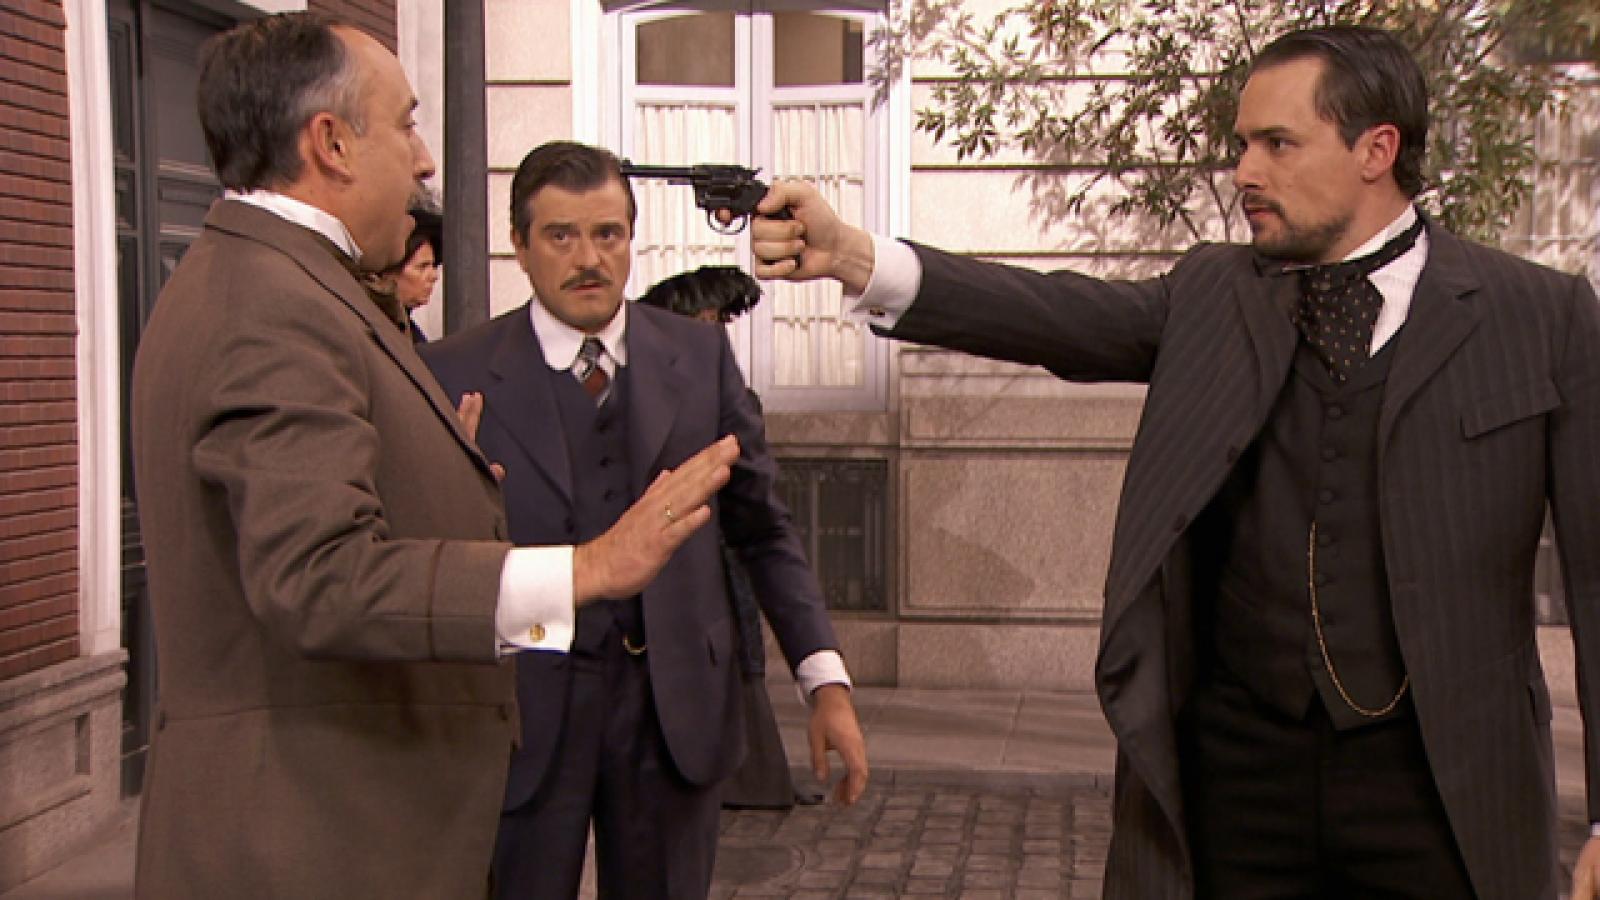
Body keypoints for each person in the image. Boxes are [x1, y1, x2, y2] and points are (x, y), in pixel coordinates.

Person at [751, 25, 1600, 900]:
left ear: (1375, 151)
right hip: (1236, 781)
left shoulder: (1541, 318)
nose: (1244, 172)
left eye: (1277, 144)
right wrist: (853, 256)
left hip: (1446, 788)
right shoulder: (1213, 292)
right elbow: (1051, 314)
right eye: (1242, 144)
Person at [129, 15, 735, 898]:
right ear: (332, 143)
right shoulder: (275, 306)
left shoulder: (284, 283)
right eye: (407, 123)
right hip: (313, 841)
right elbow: (320, 578)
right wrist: (590, 567)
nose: (423, 161)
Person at [420, 141, 868, 899]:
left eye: (608, 233)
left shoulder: (699, 356)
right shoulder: (455, 372)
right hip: (524, 712)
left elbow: (762, 529)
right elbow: (428, 557)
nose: (588, 258)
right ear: (520, 247)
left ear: (631, 237)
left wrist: (824, 680)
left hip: (674, 712)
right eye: (560, 236)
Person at [638, 265, 810, 810]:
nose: (712, 334)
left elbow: (754, 494)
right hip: (676, 553)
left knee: (740, 655)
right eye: (702, 320)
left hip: (724, 545)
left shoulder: (727, 391)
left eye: (718, 321)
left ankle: (753, 774)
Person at [366, 204, 442, 343]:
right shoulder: (374, 331)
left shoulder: (409, 332)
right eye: (422, 267)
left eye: (434, 265)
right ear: (388, 273)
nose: (434, 276)